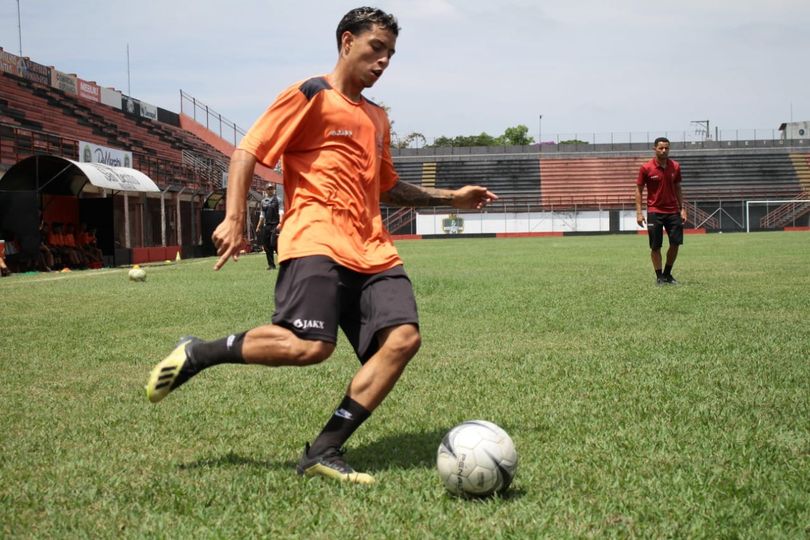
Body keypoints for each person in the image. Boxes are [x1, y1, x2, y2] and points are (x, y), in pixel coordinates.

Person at [145, 6, 497, 484]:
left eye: (391, 53)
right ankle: (198, 353)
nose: (384, 61)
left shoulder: (377, 117)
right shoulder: (311, 94)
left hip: (373, 247)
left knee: (403, 340)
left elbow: (386, 186)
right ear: (347, 42)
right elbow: (248, 149)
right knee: (310, 346)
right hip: (316, 237)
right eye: (377, 49)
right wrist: (233, 217)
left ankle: (324, 449)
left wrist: (451, 196)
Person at [635, 137, 688, 285]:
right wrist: (639, 213)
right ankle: (659, 277)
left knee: (675, 243)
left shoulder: (675, 167)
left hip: (673, 211)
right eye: (661, 148)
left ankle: (667, 274)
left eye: (667, 148)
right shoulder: (646, 168)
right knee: (655, 246)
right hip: (654, 211)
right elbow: (638, 190)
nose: (664, 150)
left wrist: (682, 208)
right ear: (655, 149)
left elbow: (678, 188)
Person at [255, 185, 280, 269]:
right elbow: (262, 215)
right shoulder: (263, 202)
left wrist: (281, 224)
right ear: (265, 190)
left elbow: (281, 212)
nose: (270, 190)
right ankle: (271, 265)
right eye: (268, 189)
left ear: (274, 190)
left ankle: (284, 262)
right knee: (267, 246)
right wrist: (258, 226)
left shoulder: (278, 200)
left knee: (275, 244)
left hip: (275, 225)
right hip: (267, 226)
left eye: (271, 189)